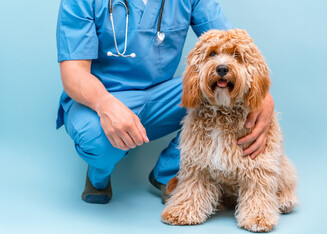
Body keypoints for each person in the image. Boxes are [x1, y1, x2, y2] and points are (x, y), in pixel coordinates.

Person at [56, 0, 275, 204]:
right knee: (95, 139)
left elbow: (228, 41)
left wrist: (264, 95)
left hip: (161, 96)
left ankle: (167, 171)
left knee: (223, 92)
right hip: (101, 97)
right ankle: (98, 175)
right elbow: (74, 73)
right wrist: (105, 104)